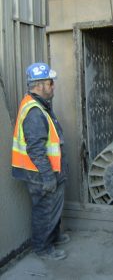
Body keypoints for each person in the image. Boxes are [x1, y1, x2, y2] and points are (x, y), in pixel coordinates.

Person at [12, 62, 70, 260]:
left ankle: (53, 236)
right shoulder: (35, 112)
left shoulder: (39, 105)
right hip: (41, 174)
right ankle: (42, 248)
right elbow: (36, 150)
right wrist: (48, 177)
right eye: (50, 83)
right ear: (39, 85)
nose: (53, 86)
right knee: (44, 210)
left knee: (52, 208)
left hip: (49, 171)